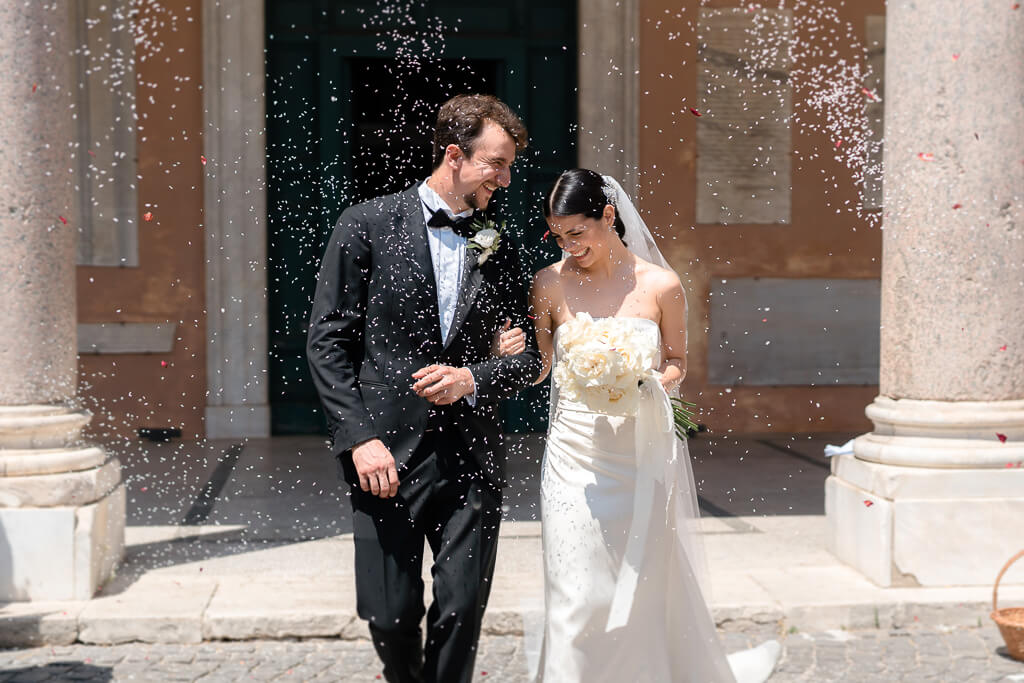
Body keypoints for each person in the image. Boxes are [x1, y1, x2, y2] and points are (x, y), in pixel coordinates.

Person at [499, 168, 779, 682]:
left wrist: (644, 381)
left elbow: (677, 363)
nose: (568, 247)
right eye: (557, 236)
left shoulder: (662, 285)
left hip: (637, 452)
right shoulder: (549, 283)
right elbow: (542, 366)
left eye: (577, 233)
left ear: (608, 216)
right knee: (575, 589)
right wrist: (508, 356)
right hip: (572, 455)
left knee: (639, 582)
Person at [306, 94, 542, 683]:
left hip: (472, 455)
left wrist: (474, 377)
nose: (505, 179)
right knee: (389, 614)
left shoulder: (500, 241)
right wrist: (359, 439)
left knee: (462, 609)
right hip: (383, 456)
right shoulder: (365, 224)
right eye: (496, 164)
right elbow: (327, 342)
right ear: (454, 156)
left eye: (509, 166)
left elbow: (531, 358)